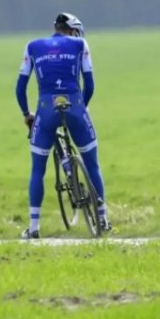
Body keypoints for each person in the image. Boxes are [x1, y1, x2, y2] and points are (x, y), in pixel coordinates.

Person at [15, 13, 110, 239]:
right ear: (73, 31)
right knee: (92, 163)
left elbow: (20, 88)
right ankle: (103, 219)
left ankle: (34, 227)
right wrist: (82, 109)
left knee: (38, 169)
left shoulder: (32, 46)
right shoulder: (80, 44)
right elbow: (90, 85)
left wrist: (27, 115)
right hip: (74, 105)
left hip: (45, 109)